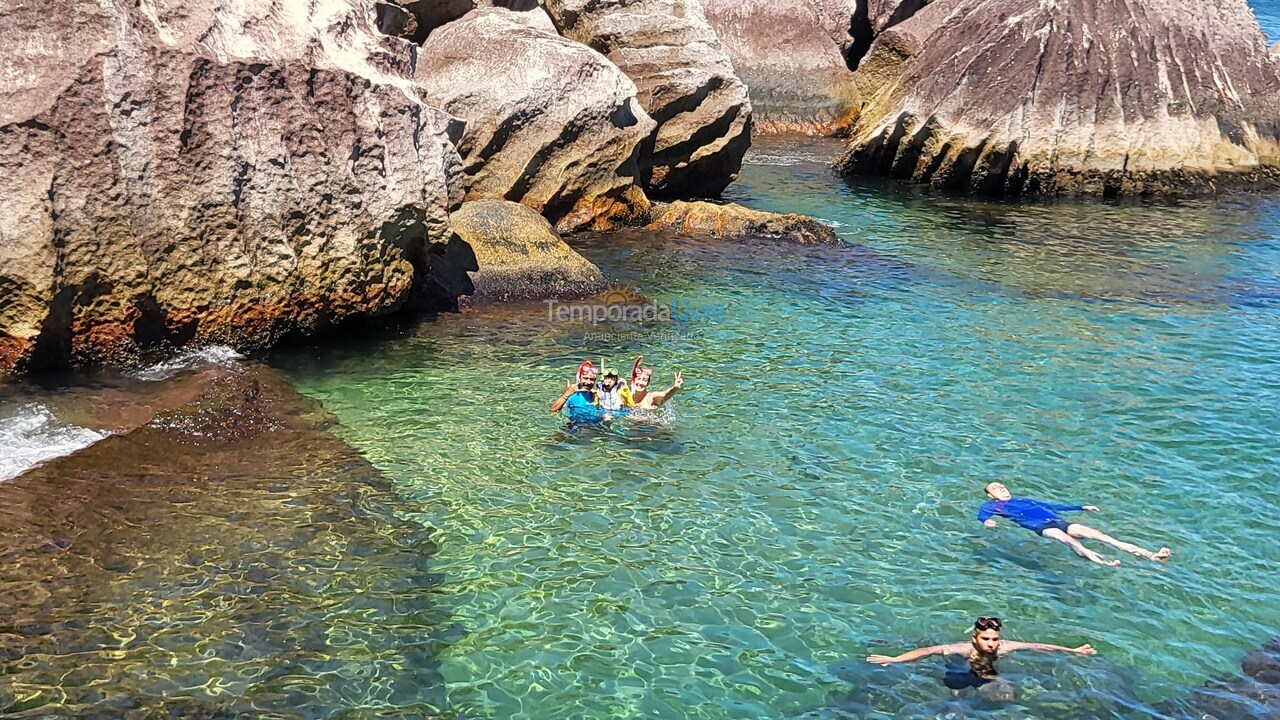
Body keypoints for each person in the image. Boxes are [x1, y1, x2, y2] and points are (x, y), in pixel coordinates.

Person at [867, 616, 1096, 693]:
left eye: (994, 639)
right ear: (974, 638)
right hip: (957, 671)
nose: (991, 644)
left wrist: (1073, 651)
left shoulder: (1004, 647)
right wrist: (895, 659)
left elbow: (1038, 646)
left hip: (986, 673)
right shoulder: (963, 649)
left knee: (1004, 688)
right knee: (957, 694)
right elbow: (929, 651)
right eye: (986, 639)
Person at [979, 482, 1171, 567]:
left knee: (1100, 536)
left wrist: (1081, 507)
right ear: (990, 494)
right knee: (1067, 540)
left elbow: (1053, 506)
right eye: (996, 488)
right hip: (1041, 527)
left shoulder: (1025, 500)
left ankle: (1150, 555)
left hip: (1058, 521)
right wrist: (987, 521)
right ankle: (1101, 561)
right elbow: (983, 514)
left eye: (1003, 486)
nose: (1002, 488)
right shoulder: (992, 505)